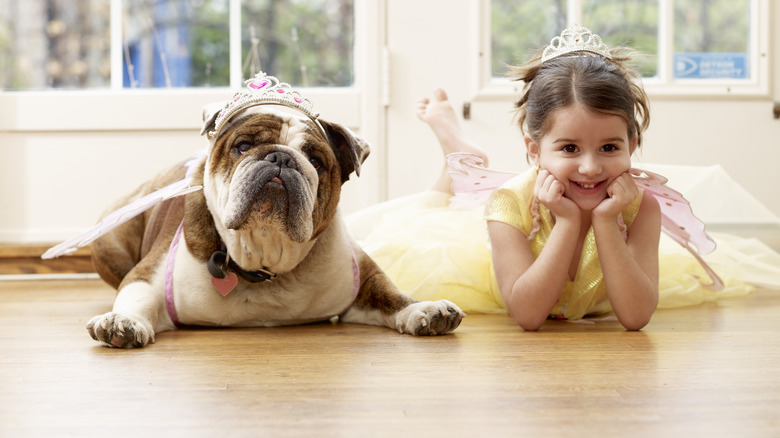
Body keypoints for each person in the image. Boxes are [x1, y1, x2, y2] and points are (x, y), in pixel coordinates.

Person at [348, 24, 776, 330]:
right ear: (534, 150)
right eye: (569, 148)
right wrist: (568, 223)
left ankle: (461, 162)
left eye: (610, 148)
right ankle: (457, 158)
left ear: (633, 144)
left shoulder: (639, 205)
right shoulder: (509, 203)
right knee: (426, 219)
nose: (590, 168)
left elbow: (635, 317)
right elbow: (529, 316)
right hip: (509, 266)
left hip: (600, 263)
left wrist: (607, 222)